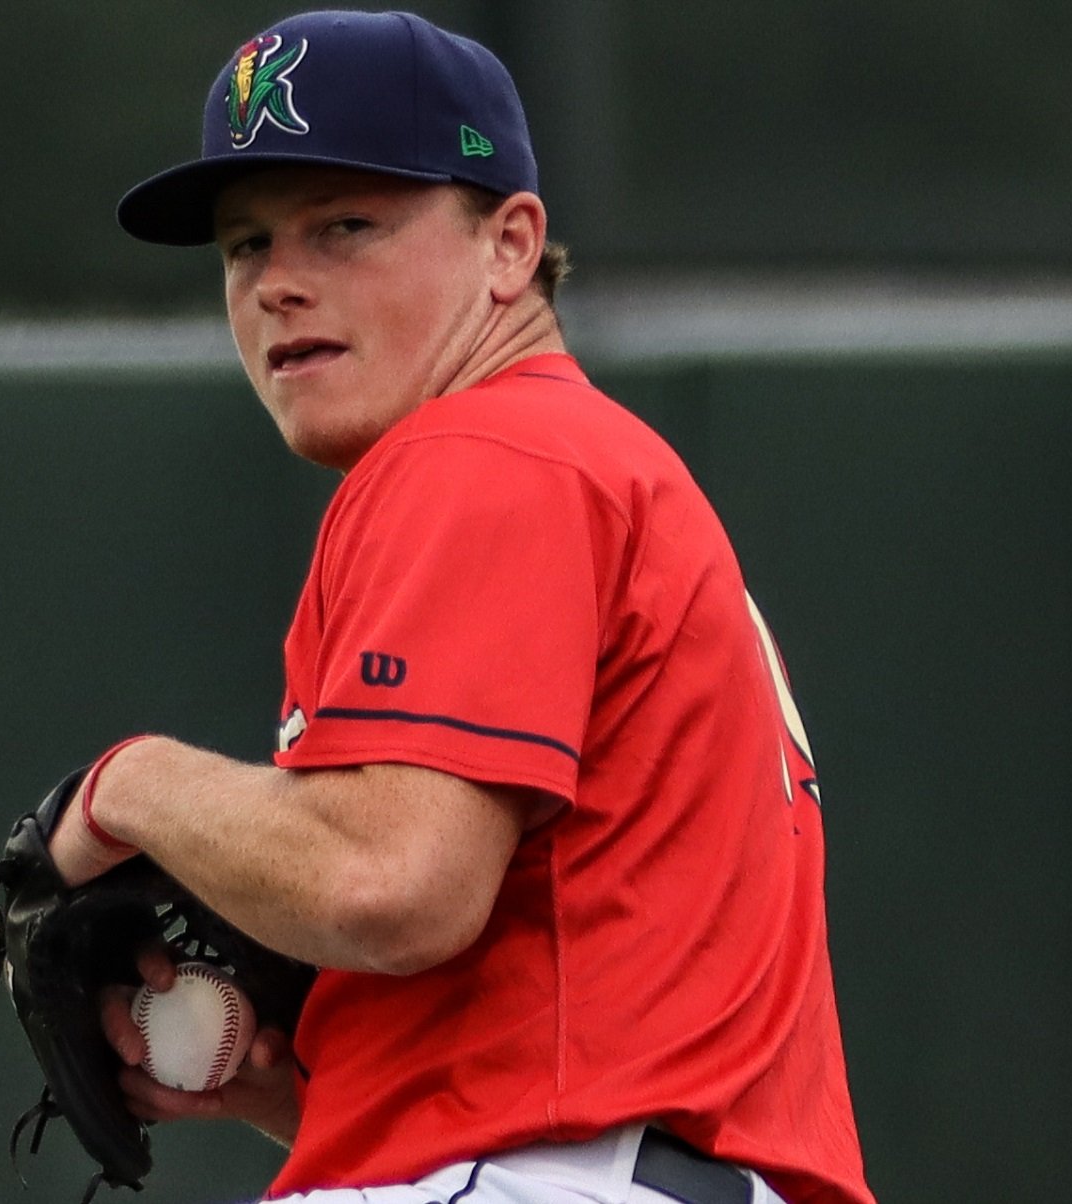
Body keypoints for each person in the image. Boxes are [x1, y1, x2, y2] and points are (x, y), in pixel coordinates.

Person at [45, 10, 874, 1204]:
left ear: (510, 245)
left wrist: (131, 785)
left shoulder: (486, 452)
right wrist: (283, 1091)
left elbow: (394, 887)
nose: (279, 282)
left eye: (345, 226)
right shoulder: (589, 470)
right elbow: (572, 1014)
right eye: (243, 246)